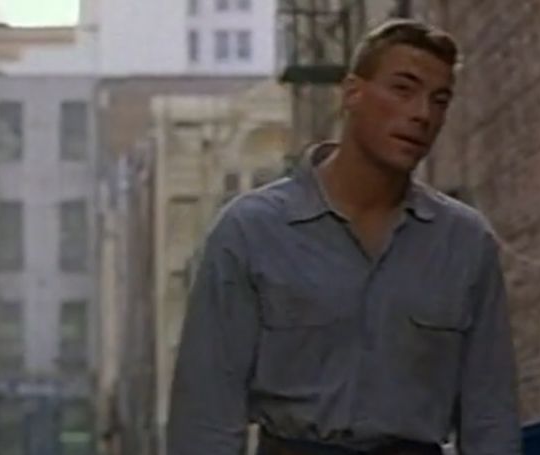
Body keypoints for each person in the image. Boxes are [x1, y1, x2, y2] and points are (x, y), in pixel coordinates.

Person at [166, 18, 521, 455]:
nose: (422, 114)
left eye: (439, 100)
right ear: (353, 92)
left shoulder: (464, 243)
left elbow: (491, 417)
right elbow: (205, 415)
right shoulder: (252, 231)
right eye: (403, 90)